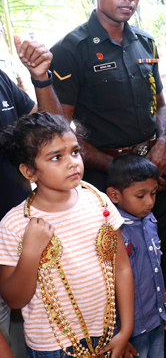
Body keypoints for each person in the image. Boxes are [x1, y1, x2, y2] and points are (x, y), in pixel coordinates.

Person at [49, 0, 166, 357]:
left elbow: (160, 105)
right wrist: (117, 166)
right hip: (106, 187)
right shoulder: (72, 48)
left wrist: (162, 142)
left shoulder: (146, 42)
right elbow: (61, 129)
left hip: (155, 176)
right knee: (117, 283)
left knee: (164, 275)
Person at [0, 112, 136, 358]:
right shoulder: (14, 224)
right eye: (56, 157)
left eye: (75, 151)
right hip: (53, 348)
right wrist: (31, 252)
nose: (73, 162)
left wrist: (125, 330)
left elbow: (122, 268)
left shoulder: (99, 202)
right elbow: (14, 299)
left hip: (106, 335)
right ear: (30, 171)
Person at [0, 35, 63, 356]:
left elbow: (49, 129)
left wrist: (40, 77)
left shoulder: (1, 80)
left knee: (34, 334)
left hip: (24, 239)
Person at [106, 154, 166, 357]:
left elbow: (155, 267)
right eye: (141, 196)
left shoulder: (150, 221)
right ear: (114, 195)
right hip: (130, 331)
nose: (150, 202)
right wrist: (118, 333)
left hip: (156, 319)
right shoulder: (112, 233)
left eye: (153, 193)